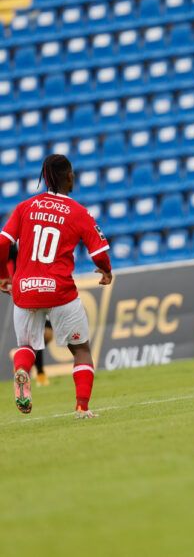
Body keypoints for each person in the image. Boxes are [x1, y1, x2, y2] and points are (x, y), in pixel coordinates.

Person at [0, 154, 113, 418]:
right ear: (69, 177)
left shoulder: (25, 207)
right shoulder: (78, 212)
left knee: (26, 346)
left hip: (25, 289)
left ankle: (22, 371)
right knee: (81, 350)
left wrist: (3, 275)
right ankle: (82, 407)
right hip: (60, 291)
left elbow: (3, 243)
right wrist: (106, 271)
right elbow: (99, 253)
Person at [2, 240, 52, 386]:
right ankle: (40, 374)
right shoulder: (14, 242)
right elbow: (4, 256)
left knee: (48, 333)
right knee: (37, 333)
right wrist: (7, 280)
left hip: (44, 286)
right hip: (27, 289)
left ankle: (20, 356)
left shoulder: (40, 236)